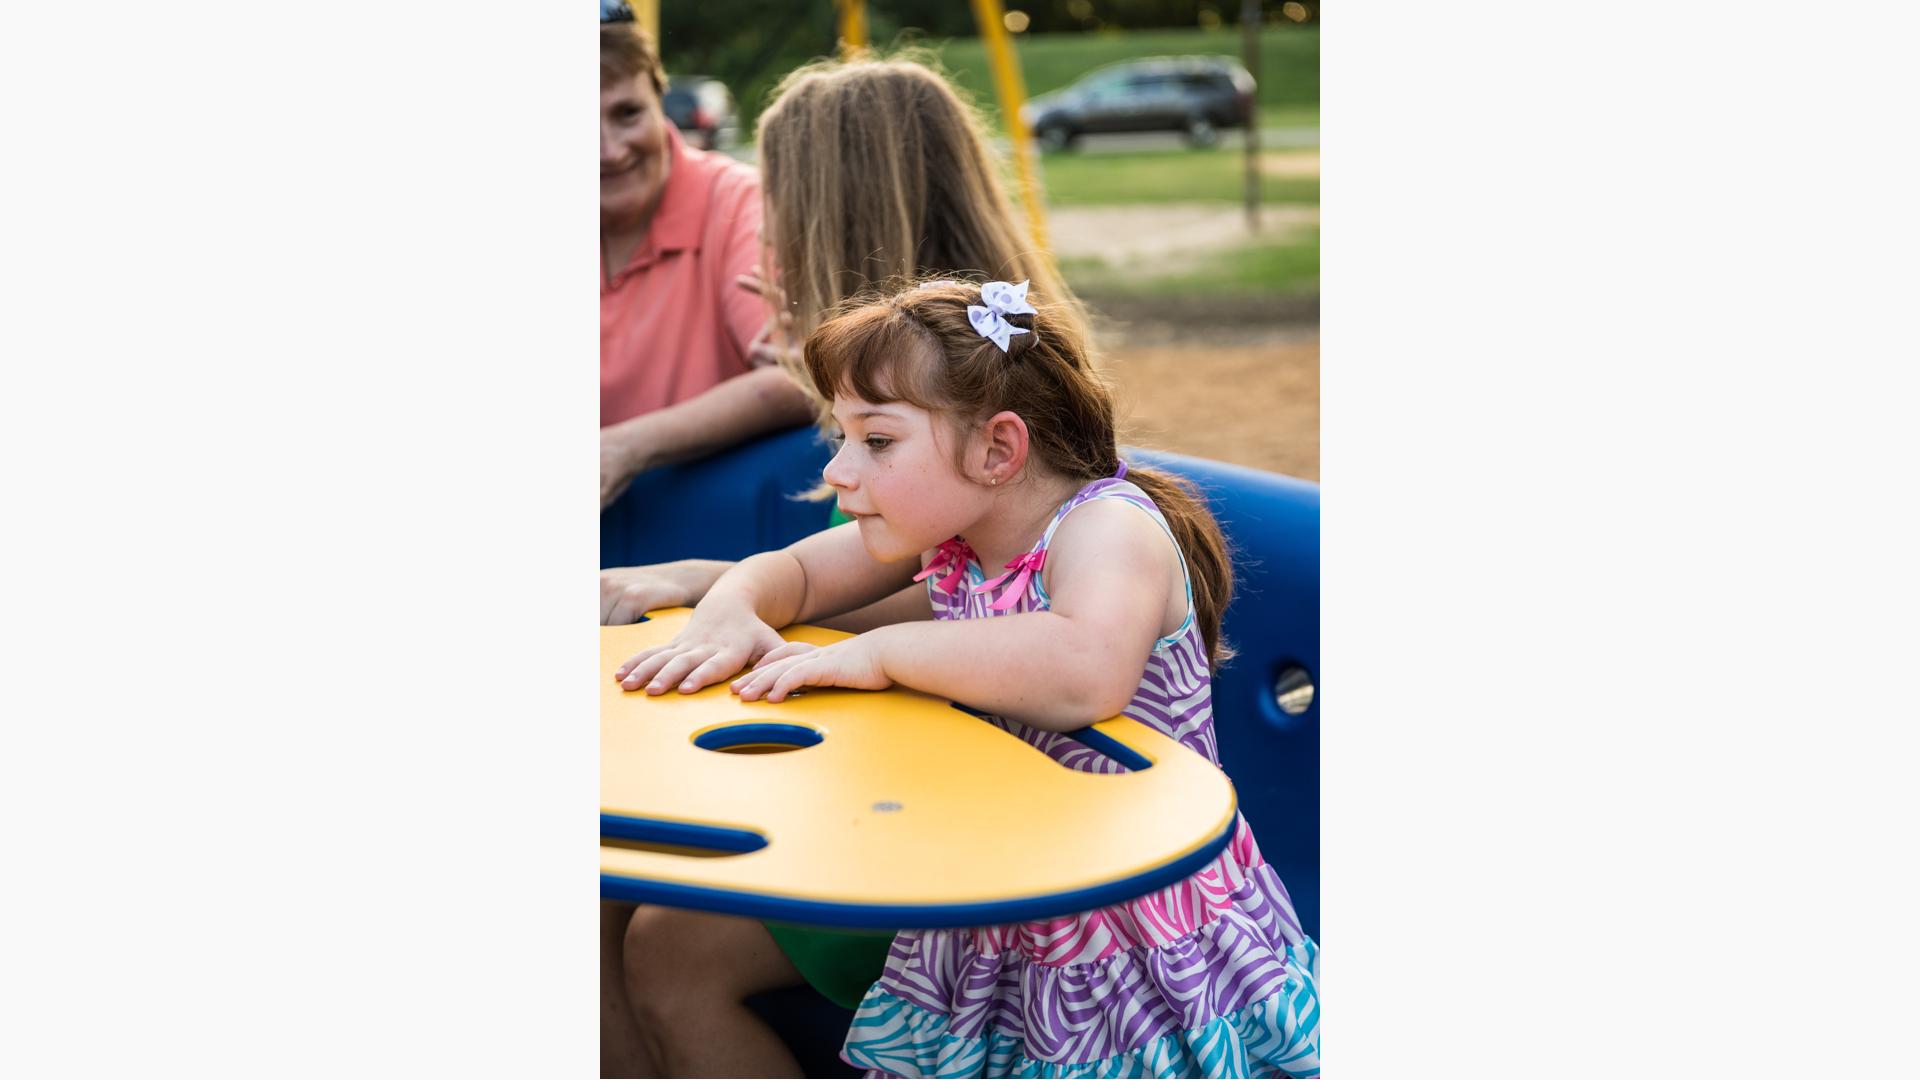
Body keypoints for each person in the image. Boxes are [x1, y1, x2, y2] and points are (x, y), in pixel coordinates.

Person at [613, 279, 1323, 1078]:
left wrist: (884, 652)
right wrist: (734, 602)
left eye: (876, 442)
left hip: (1130, 919)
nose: (842, 472)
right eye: (843, 438)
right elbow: (801, 575)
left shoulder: (1105, 530)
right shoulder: (952, 535)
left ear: (997, 449)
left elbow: (1084, 673)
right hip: (999, 895)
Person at [600, 58, 1102, 1080]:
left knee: (659, 938)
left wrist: (815, 636)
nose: (761, 248)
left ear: (836, 224)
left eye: (776, 213)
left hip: (999, 825)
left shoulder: (1001, 444)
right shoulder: (918, 416)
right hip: (910, 780)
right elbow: (857, 573)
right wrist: (725, 586)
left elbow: (974, 612)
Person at [599, 51, 1088, 620]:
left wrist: (710, 586)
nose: (767, 233)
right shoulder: (947, 376)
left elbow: (945, 603)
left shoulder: (963, 397)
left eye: (775, 203)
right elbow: (844, 578)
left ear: (832, 225)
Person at [598, 19, 815, 509]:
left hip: (716, 526)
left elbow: (799, 375)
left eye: (628, 114)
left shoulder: (739, 203)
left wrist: (624, 448)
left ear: (662, 103)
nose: (611, 151)